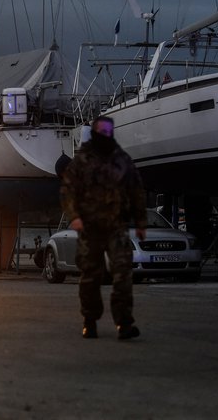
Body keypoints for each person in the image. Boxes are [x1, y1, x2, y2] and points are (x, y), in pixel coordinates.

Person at [60, 115, 147, 340]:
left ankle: (124, 323)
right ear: (96, 133)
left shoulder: (122, 160)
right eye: (103, 132)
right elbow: (68, 191)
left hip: (117, 226)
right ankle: (90, 320)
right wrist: (74, 216)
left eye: (110, 131)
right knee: (90, 275)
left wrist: (140, 222)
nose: (106, 135)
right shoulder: (82, 161)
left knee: (123, 274)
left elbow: (136, 190)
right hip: (90, 228)